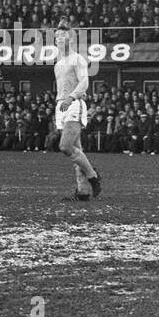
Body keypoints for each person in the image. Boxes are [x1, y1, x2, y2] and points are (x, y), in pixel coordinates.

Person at [52, 21, 102, 201]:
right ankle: (82, 191)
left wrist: (71, 97)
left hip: (74, 103)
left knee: (65, 147)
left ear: (70, 39)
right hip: (62, 106)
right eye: (56, 36)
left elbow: (84, 82)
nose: (58, 39)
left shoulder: (77, 59)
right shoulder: (58, 63)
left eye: (62, 36)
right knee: (76, 150)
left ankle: (93, 177)